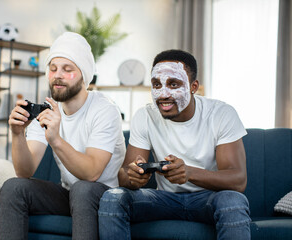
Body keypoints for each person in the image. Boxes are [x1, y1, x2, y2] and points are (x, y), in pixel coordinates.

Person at [98, 49, 251, 240]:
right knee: (113, 197)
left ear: (193, 86)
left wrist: (190, 173)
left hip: (208, 199)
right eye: (156, 84)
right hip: (164, 199)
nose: (163, 94)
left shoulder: (221, 114)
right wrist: (134, 177)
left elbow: (238, 180)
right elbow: (124, 177)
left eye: (173, 84)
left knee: (233, 201)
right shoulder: (145, 116)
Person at [0, 32, 126, 240]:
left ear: (84, 75)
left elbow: (92, 173)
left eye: (68, 70)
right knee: (14, 186)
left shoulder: (104, 110)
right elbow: (24, 170)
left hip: (103, 196)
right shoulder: (47, 111)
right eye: (53, 68)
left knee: (83, 189)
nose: (58, 75)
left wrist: (55, 139)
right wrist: (17, 133)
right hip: (69, 195)